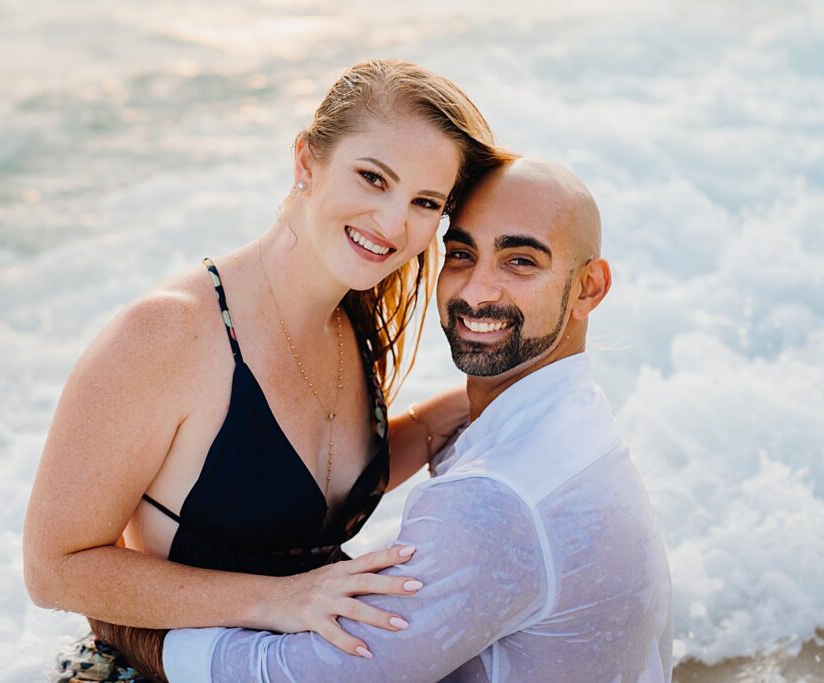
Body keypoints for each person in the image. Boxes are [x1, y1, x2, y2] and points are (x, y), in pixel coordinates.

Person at [22, 59, 518, 680]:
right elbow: (53, 568)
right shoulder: (170, 332)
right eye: (372, 178)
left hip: (293, 666)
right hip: (157, 670)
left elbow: (307, 494)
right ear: (307, 160)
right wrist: (277, 600)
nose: (393, 225)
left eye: (425, 202)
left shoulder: (352, 317)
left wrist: (460, 410)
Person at [149, 158, 674, 682]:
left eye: (520, 262)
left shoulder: (495, 497)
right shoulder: (578, 423)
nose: (477, 291)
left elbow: (314, 677)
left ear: (589, 288)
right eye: (463, 254)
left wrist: (141, 638)